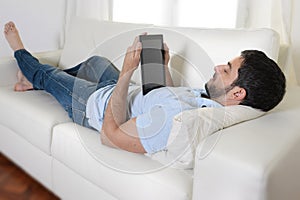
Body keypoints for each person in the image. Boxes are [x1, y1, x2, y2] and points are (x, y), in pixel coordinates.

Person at [4, 21, 286, 154]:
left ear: (238, 94)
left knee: (46, 73)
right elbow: (164, 99)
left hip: (94, 105)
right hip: (121, 92)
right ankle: (48, 81)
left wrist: (128, 71)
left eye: (227, 69)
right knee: (96, 61)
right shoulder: (207, 102)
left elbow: (109, 135)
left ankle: (24, 60)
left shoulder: (176, 120)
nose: (217, 67)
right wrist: (162, 66)